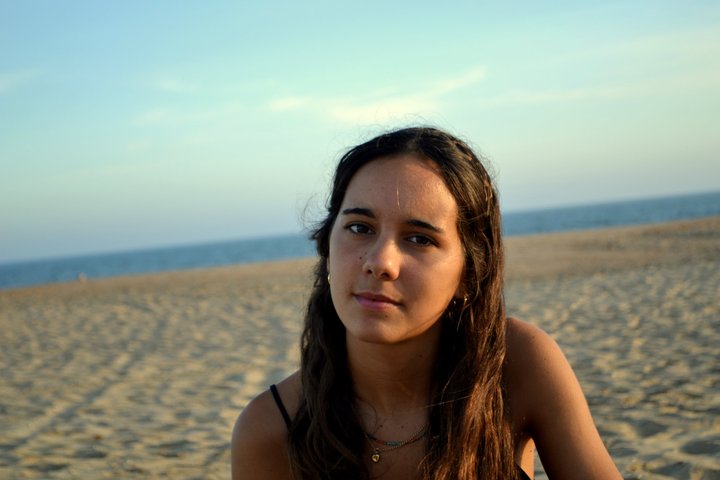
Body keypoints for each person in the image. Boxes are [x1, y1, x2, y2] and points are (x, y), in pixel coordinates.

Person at [231, 127, 622, 479]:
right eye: (359, 228)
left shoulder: (514, 364)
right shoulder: (272, 428)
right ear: (327, 249)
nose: (380, 262)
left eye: (419, 239)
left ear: (469, 273)